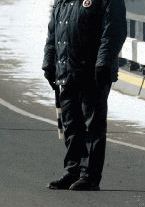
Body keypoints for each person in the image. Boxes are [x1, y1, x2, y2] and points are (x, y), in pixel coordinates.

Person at [42, 0, 127, 191]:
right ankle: (73, 170)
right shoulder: (62, 1)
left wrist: (103, 62)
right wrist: (49, 62)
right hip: (67, 70)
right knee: (71, 124)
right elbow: (53, 33)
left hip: (94, 72)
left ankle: (89, 175)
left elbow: (114, 30)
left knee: (92, 125)